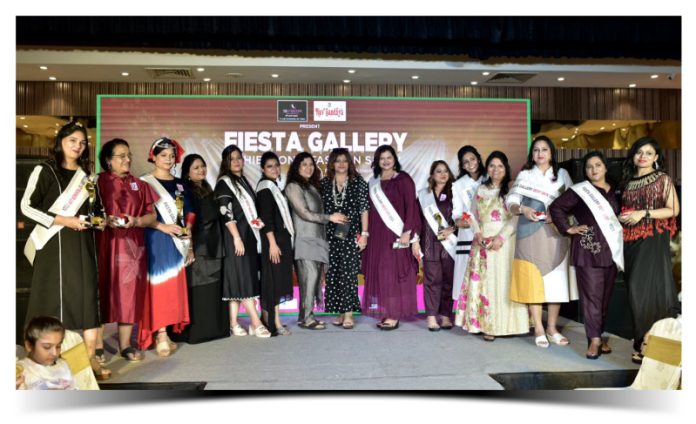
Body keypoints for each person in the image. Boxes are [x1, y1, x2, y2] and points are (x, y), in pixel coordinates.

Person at [19, 121, 110, 380]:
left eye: (82, 142)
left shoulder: (88, 176)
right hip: (54, 243)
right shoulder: (45, 170)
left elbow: (98, 209)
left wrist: (100, 221)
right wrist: (64, 220)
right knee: (54, 302)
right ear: (61, 141)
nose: (78, 146)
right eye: (73, 141)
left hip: (84, 244)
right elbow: (26, 207)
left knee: (88, 300)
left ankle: (90, 361)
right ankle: (48, 361)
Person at [549, 151, 623, 359]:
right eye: (589, 167)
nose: (594, 169)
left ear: (605, 167)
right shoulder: (580, 191)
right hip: (588, 249)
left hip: (611, 250)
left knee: (604, 299)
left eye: (598, 165)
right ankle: (594, 340)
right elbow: (556, 207)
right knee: (592, 297)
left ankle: (598, 335)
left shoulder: (616, 190)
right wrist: (568, 228)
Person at [506, 136, 577, 348]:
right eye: (536, 150)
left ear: (551, 152)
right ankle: (538, 327)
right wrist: (523, 209)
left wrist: (558, 216)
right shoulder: (525, 174)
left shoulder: (562, 174)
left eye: (544, 149)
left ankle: (552, 328)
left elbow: (574, 201)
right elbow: (511, 201)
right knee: (532, 279)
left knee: (556, 280)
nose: (540, 154)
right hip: (529, 232)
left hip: (555, 232)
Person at [95, 138, 158, 363]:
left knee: (129, 293)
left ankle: (125, 345)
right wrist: (103, 220)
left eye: (128, 155)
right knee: (100, 290)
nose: (127, 159)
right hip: (103, 242)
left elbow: (152, 216)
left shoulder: (140, 185)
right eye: (121, 156)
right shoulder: (96, 182)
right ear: (108, 160)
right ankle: (97, 345)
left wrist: (137, 220)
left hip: (132, 246)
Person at [618, 137, 680, 364]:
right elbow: (628, 211)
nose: (642, 156)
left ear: (656, 157)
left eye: (648, 153)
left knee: (647, 291)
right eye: (639, 152)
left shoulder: (662, 178)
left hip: (652, 238)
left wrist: (642, 213)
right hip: (630, 240)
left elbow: (673, 209)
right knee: (635, 292)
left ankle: (649, 345)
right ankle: (644, 341)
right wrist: (623, 217)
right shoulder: (628, 181)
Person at [456, 151, 528, 341]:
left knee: (504, 283)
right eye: (492, 166)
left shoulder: (512, 188)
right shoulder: (480, 189)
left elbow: (516, 218)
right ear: (487, 168)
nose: (496, 169)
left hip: (505, 242)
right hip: (482, 242)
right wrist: (477, 233)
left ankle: (509, 325)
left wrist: (500, 238)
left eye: (500, 166)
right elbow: (471, 215)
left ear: (506, 168)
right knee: (486, 285)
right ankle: (489, 326)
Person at [170, 154, 231, 343]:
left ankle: (216, 329)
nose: (201, 170)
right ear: (187, 173)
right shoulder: (185, 191)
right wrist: (191, 246)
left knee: (214, 287)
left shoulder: (207, 188)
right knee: (200, 286)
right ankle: (199, 331)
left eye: (203, 166)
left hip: (215, 244)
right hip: (198, 246)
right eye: (196, 168)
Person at [141, 137, 193, 355]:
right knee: (159, 286)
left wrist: (189, 240)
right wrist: (162, 226)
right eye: (163, 155)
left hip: (178, 242)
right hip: (156, 239)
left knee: (173, 288)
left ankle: (166, 332)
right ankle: (161, 333)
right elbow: (141, 215)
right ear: (153, 156)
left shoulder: (180, 184)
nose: (168, 160)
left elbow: (188, 213)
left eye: (172, 156)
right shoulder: (144, 182)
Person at [361, 145, 421, 330]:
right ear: (377, 161)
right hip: (377, 235)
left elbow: (411, 206)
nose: (386, 161)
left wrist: (408, 231)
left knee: (393, 273)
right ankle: (387, 310)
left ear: (394, 159)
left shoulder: (403, 179)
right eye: (382, 158)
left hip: (396, 233)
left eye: (389, 157)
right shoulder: (373, 182)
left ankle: (394, 314)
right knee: (381, 274)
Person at [285, 152, 347, 330]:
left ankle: (305, 315)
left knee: (313, 279)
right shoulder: (293, 186)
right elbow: (304, 213)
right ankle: (307, 318)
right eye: (304, 164)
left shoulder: (312, 187)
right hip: (305, 240)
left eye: (311, 164)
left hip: (318, 239)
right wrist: (330, 217)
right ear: (297, 167)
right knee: (308, 279)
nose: (308, 168)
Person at [215, 145, 271, 338]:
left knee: (240, 279)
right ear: (226, 162)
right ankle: (256, 323)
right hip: (235, 239)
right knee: (243, 278)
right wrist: (237, 238)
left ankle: (232, 323)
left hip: (248, 236)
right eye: (232, 159)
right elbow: (227, 213)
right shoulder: (224, 183)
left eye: (239, 157)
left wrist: (256, 222)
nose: (237, 161)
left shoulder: (242, 181)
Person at [320, 148, 369, 330]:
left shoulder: (358, 182)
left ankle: (348, 313)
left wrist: (365, 234)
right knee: (333, 274)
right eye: (337, 160)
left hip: (351, 235)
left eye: (344, 160)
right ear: (332, 164)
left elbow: (364, 209)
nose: (341, 164)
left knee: (348, 274)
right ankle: (340, 311)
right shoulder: (324, 183)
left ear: (350, 163)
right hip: (330, 236)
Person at [413, 160, 456, 331]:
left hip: (450, 244)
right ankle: (431, 316)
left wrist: (452, 229)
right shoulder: (424, 195)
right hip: (429, 243)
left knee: (448, 280)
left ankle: (445, 315)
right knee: (431, 280)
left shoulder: (455, 193)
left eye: (445, 171)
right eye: (439, 171)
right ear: (432, 175)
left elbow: (462, 216)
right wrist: (415, 240)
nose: (443, 174)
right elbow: (416, 220)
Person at [256, 151, 295, 336]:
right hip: (274, 243)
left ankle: (271, 319)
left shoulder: (275, 187)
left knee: (278, 282)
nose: (274, 169)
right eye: (269, 166)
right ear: (263, 169)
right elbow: (266, 219)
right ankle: (275, 322)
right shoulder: (265, 188)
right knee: (274, 283)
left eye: (276, 165)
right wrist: (272, 243)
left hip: (282, 241)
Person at [451, 145, 486, 305]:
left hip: (489, 233)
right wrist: (460, 221)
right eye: (465, 162)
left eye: (472, 159)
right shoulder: (458, 185)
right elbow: (457, 213)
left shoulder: (489, 177)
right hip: (468, 235)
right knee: (468, 279)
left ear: (478, 159)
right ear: (462, 166)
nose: (470, 164)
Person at [17, 316, 76, 390]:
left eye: (58, 346)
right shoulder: (20, 371)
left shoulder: (63, 365)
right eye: (47, 347)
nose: (54, 353)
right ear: (29, 345)